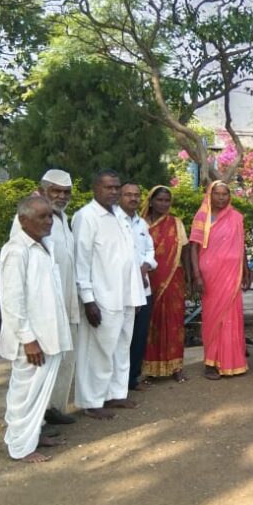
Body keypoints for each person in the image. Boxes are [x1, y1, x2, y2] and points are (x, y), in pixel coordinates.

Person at [0, 196, 74, 462]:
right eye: (42, 216)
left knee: (40, 392)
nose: (49, 221)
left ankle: (34, 434)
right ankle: (20, 447)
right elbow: (12, 301)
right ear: (23, 220)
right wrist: (28, 339)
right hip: (31, 340)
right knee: (25, 393)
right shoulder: (16, 250)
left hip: (49, 335)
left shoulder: (44, 245)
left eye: (50, 216)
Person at [72, 170, 146, 419]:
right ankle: (92, 401)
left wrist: (135, 295)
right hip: (102, 298)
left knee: (121, 348)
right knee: (98, 351)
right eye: (109, 187)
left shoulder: (120, 216)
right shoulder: (86, 216)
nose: (114, 192)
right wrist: (88, 300)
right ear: (95, 188)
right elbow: (81, 261)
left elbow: (129, 257)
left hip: (126, 296)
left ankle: (116, 394)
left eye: (116, 187)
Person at [9, 169, 79, 425]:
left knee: (63, 360)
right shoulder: (29, 219)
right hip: (42, 308)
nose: (61, 196)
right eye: (55, 191)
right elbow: (21, 271)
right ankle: (32, 425)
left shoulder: (62, 217)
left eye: (66, 192)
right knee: (37, 369)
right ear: (41, 190)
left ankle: (53, 409)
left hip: (66, 301)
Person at [189, 181, 251, 379]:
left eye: (225, 194)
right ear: (210, 194)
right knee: (212, 317)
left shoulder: (236, 217)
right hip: (210, 275)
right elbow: (193, 247)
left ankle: (232, 361)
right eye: (217, 193)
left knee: (232, 316)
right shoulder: (202, 216)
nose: (222, 197)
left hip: (232, 274)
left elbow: (241, 245)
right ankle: (211, 362)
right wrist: (196, 275)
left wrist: (246, 270)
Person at [141, 185, 191, 383]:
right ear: (151, 201)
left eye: (167, 200)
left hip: (173, 279)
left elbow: (185, 251)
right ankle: (149, 369)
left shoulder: (175, 223)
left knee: (174, 321)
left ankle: (176, 367)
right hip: (147, 279)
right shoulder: (140, 224)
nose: (163, 204)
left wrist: (189, 277)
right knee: (150, 323)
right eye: (159, 200)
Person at [119, 182, 157, 392]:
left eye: (136, 195)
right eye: (128, 194)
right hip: (122, 289)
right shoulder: (114, 222)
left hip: (143, 287)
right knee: (121, 338)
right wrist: (136, 271)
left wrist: (145, 266)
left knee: (139, 334)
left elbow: (150, 250)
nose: (133, 198)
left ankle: (132, 379)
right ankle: (117, 384)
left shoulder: (141, 223)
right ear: (120, 197)